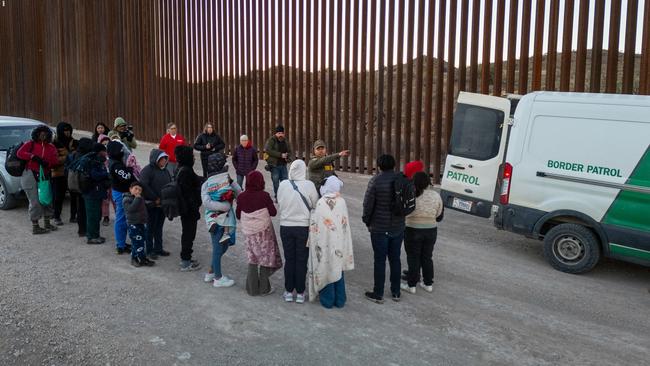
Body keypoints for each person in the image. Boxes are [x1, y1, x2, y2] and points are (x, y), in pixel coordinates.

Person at [362, 154, 406, 304]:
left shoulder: (376, 181)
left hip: (379, 228)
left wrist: (366, 221)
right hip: (398, 226)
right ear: (394, 165)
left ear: (379, 166)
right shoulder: (401, 179)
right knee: (395, 259)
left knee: (379, 260)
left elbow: (368, 204)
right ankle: (396, 292)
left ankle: (378, 293)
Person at [307, 176, 355, 309]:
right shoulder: (342, 202)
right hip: (339, 242)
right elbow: (344, 224)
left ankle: (327, 299)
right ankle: (340, 300)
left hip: (324, 242)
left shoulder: (321, 202)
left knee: (325, 266)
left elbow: (317, 224)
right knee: (337, 267)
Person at [277, 160, 319, 303]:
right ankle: (300, 293)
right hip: (303, 227)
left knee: (289, 259)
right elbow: (315, 204)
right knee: (302, 259)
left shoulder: (283, 184)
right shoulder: (310, 185)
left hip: (286, 226)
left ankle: (289, 291)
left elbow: (280, 203)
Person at [236, 170, 281, 296]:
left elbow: (238, 215)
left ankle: (252, 289)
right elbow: (273, 212)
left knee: (253, 258)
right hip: (264, 232)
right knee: (265, 258)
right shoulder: (265, 195)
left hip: (249, 233)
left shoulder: (241, 196)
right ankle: (264, 288)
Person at [202, 153, 242, 288]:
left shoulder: (226, 179)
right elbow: (206, 203)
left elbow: (239, 193)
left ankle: (211, 272)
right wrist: (224, 206)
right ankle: (218, 278)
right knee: (218, 248)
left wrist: (232, 183)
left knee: (223, 246)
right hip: (216, 221)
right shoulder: (207, 184)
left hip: (225, 220)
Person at [401, 171, 444, 294]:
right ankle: (428, 283)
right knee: (427, 257)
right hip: (431, 230)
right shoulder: (436, 196)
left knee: (413, 257)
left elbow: (404, 211)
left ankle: (411, 285)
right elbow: (439, 216)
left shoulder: (410, 194)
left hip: (412, 229)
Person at [16, 125, 59, 234]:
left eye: (45, 133)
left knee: (46, 199)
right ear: (37, 134)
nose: (43, 135)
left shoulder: (51, 147)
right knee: (35, 201)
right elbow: (19, 153)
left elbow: (55, 161)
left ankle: (47, 223)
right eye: (41, 133)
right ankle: (35, 226)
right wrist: (32, 157)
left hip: (44, 175)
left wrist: (47, 163)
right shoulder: (30, 144)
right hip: (29, 174)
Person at [139, 149, 172, 258]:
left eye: (165, 159)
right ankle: (149, 250)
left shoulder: (165, 170)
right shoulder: (147, 170)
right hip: (151, 204)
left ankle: (158, 248)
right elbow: (143, 185)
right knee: (150, 228)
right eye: (162, 159)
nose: (164, 161)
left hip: (162, 204)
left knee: (159, 227)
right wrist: (155, 198)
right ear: (156, 159)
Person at [175, 145, 202, 272]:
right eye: (192, 156)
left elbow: (197, 179)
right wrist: (195, 207)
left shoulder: (183, 168)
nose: (194, 158)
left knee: (188, 233)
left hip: (186, 208)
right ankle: (185, 261)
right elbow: (188, 194)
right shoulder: (185, 171)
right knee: (188, 234)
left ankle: (186, 257)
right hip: (188, 209)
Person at [108, 141, 136, 255]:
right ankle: (120, 245)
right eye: (121, 151)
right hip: (121, 193)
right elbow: (126, 177)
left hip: (120, 192)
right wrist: (130, 169)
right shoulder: (116, 164)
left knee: (122, 218)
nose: (123, 152)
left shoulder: (115, 162)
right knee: (121, 219)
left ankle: (121, 244)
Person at [80, 143, 111, 244]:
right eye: (104, 151)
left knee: (97, 215)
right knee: (92, 215)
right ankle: (91, 237)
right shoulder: (92, 161)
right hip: (91, 192)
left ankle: (96, 235)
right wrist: (106, 174)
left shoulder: (98, 160)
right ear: (99, 151)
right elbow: (95, 175)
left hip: (96, 192)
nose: (106, 153)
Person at [123, 181, 156, 267]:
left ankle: (142, 258)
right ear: (130, 189)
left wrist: (153, 204)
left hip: (141, 223)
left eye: (140, 190)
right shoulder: (127, 199)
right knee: (136, 242)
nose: (138, 191)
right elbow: (131, 209)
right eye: (136, 189)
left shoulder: (140, 199)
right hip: (133, 224)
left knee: (141, 242)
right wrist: (138, 199)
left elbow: (144, 207)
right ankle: (134, 258)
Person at [69, 138, 94, 237]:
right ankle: (85, 229)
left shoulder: (75, 154)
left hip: (76, 185)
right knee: (85, 209)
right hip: (84, 185)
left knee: (81, 208)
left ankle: (81, 230)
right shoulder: (86, 156)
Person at [51, 122, 74, 226]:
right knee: (58, 197)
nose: (67, 132)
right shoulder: (54, 144)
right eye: (65, 130)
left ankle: (73, 216)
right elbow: (53, 160)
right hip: (58, 174)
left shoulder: (74, 142)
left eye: (69, 130)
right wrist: (68, 158)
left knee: (75, 196)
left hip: (72, 173)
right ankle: (56, 216)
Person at [264, 125, 292, 198]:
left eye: (281, 133)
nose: (280, 135)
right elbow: (268, 150)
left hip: (283, 165)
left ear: (283, 134)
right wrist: (280, 155)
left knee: (285, 182)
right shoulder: (271, 140)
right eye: (279, 133)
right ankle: (278, 196)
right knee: (276, 182)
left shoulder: (285, 141)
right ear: (276, 133)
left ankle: (284, 196)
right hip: (274, 165)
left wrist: (287, 157)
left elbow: (290, 152)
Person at [98, 134, 113, 226]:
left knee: (115, 199)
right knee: (105, 199)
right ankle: (106, 216)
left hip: (113, 180)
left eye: (108, 144)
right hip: (105, 180)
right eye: (104, 144)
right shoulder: (99, 157)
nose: (106, 146)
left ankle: (119, 214)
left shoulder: (112, 154)